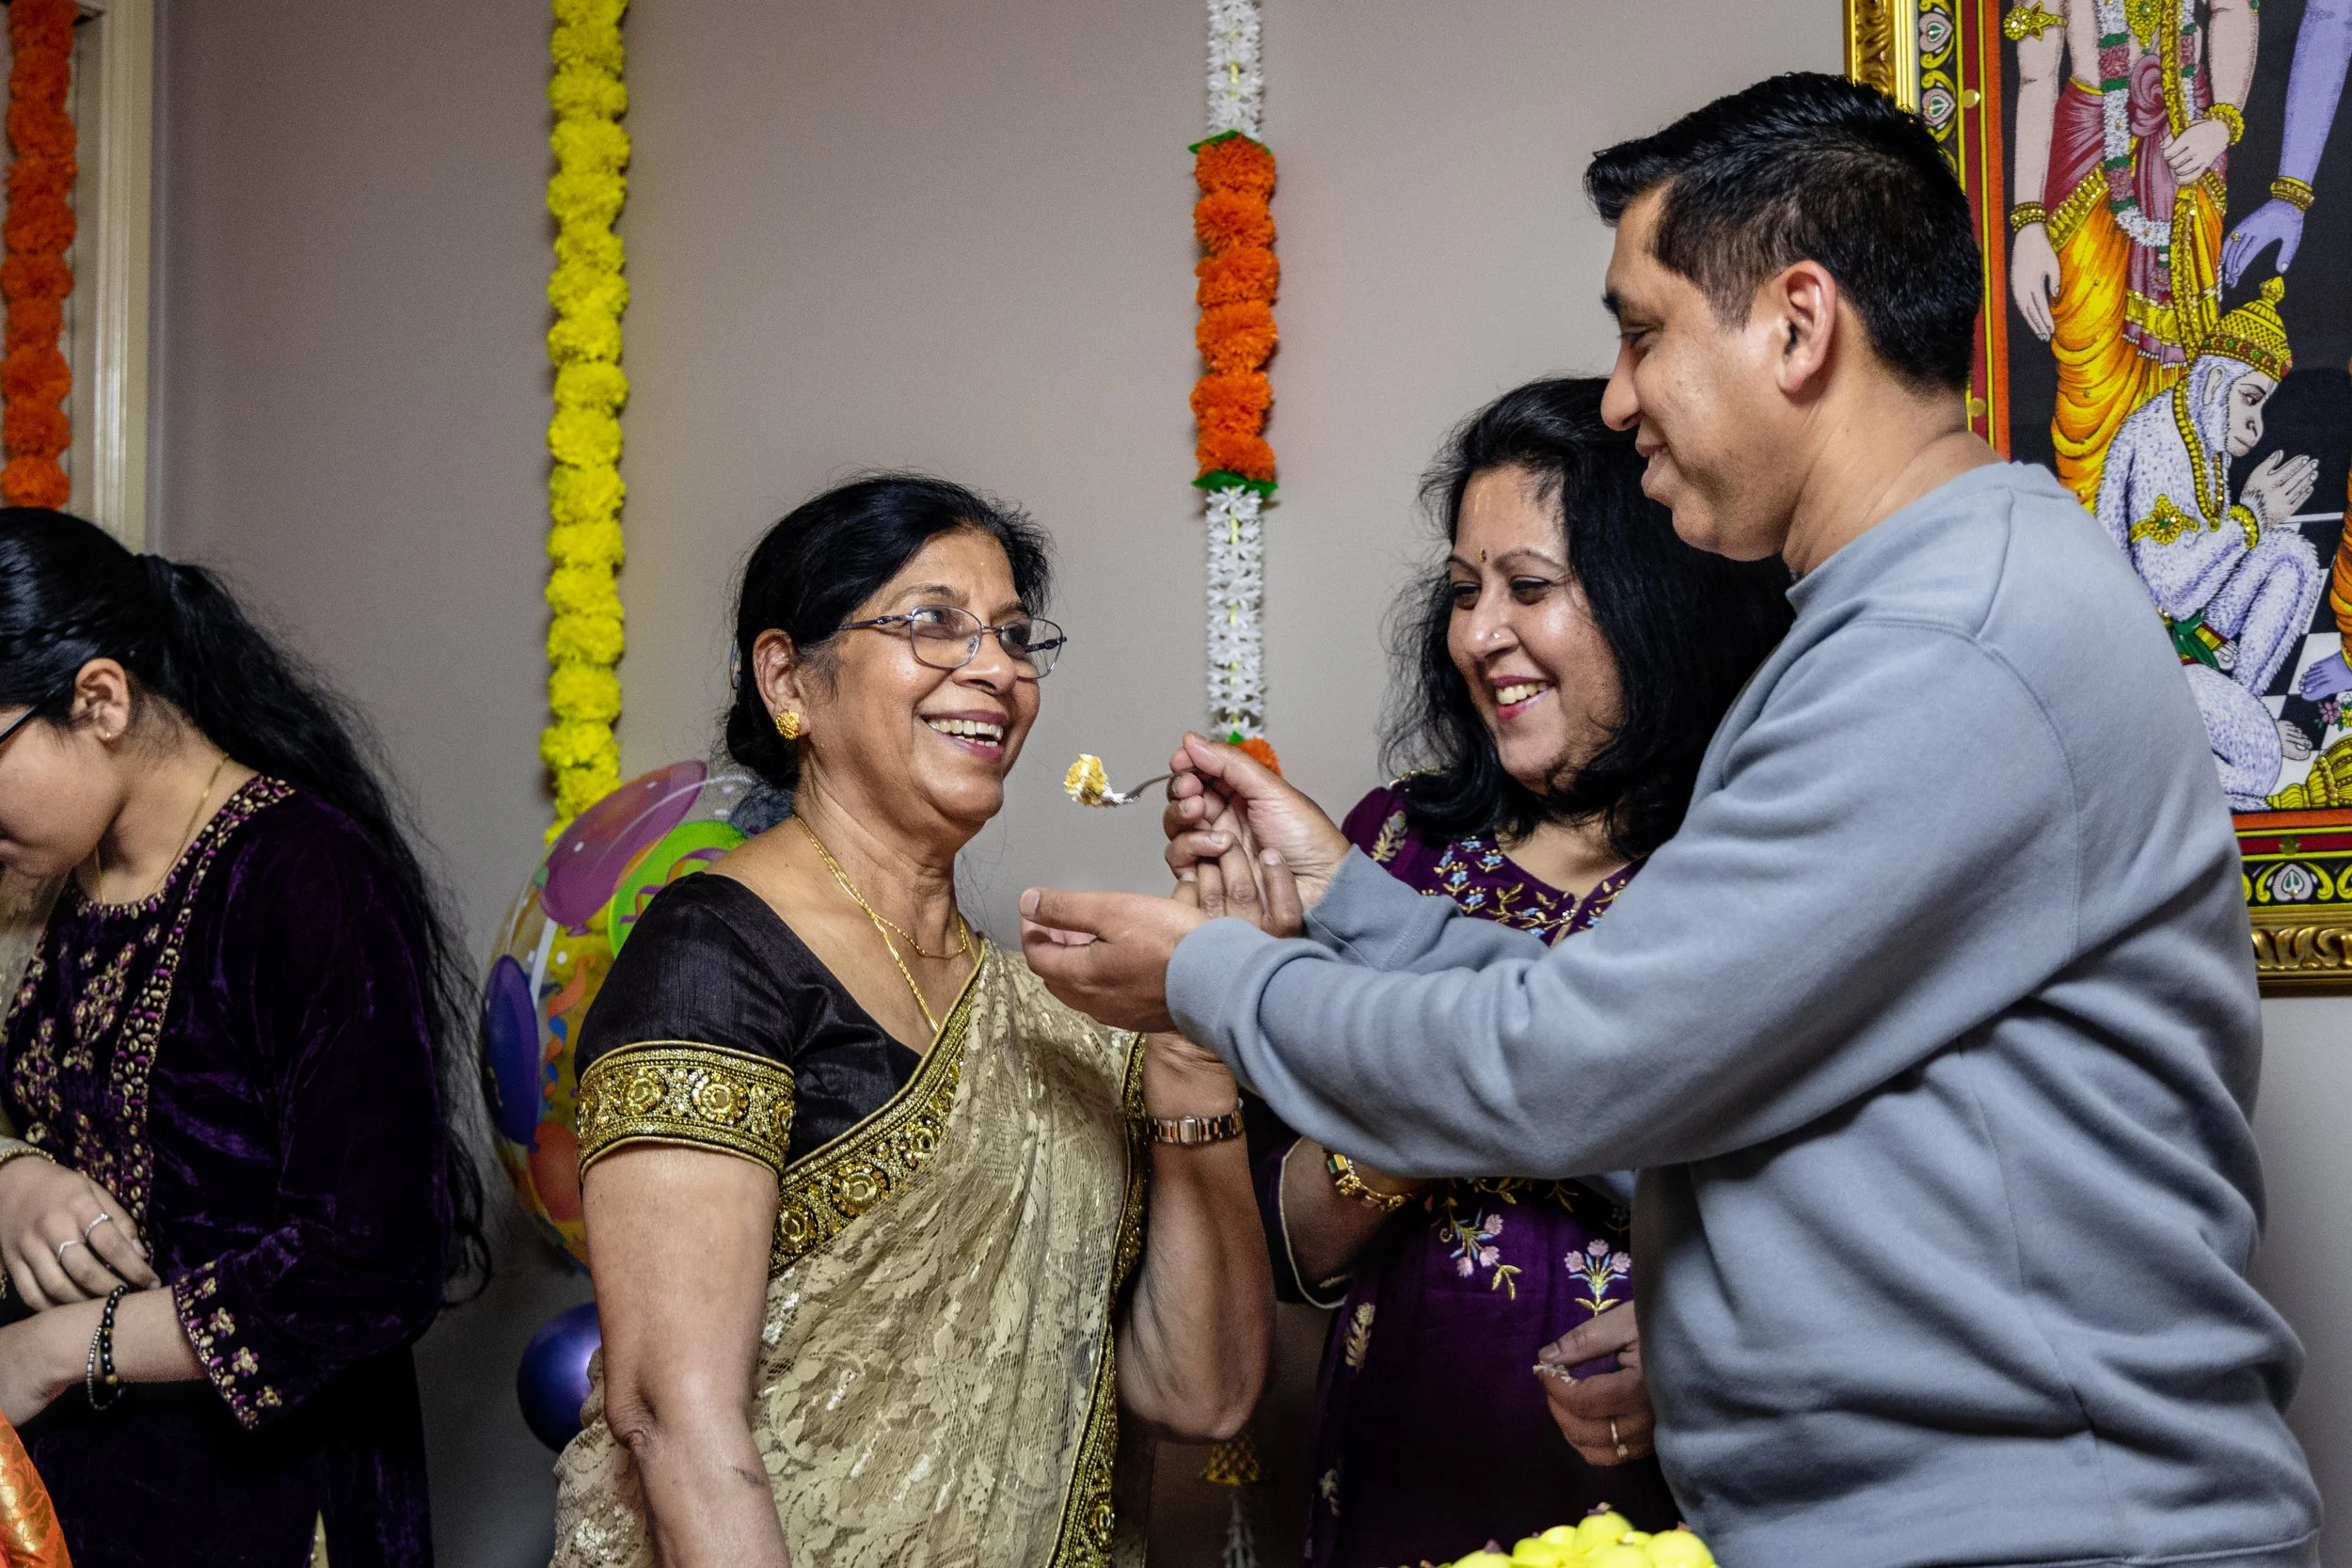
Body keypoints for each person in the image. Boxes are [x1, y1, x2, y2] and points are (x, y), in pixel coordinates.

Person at [1020, 74, 2322, 1568]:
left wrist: (1206, 976)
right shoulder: (1895, 622)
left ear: (1796, 322)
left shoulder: (1947, 644)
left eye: (1642, 332)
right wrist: (1350, 893)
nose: (1620, 392)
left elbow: (1576, 1057)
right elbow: (1783, 1074)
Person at [548, 475, 1272, 1568]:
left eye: (1014, 635)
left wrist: (1188, 1045)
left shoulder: (1053, 1016)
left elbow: (1202, 1390)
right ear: (789, 676)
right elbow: (671, 1412)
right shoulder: (713, 956)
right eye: (931, 621)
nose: (993, 667)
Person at [1244, 377, 1788, 1566]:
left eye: (1528, 587)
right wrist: (1450, 1089)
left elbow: (1840, 1195)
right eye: (1461, 590)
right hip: (1404, 1471)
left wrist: (1704, 1342)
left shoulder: (1758, 861)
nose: (1478, 633)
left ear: (1655, 602)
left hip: (1684, 1498)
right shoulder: (1390, 850)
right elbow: (1285, 1245)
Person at [0, 509, 489, 1567]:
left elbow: (380, 1257)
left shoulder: (302, 875)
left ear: (99, 699)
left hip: (261, 1495)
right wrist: (13, 1176)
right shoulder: (51, 878)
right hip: (67, 1490)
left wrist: (60, 1348)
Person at [2009, 0, 2255, 506]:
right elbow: (2036, 78)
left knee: (2189, 354)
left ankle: (2178, 533)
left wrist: (2223, 121)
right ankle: (2095, 536)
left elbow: (2232, 8)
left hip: (2189, 149)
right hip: (2088, 161)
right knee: (2090, 372)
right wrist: (2028, 222)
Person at [2095, 277, 2321, 807]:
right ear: (2215, 379)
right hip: (2142, 660)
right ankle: (2169, 765)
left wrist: (2257, 524)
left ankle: (2239, 708)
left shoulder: (2204, 433)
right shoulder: (2160, 440)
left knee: (2294, 559)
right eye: (2250, 399)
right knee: (2263, 763)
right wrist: (2251, 517)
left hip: (2188, 637)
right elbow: (2170, 589)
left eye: (2261, 404)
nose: (2255, 423)